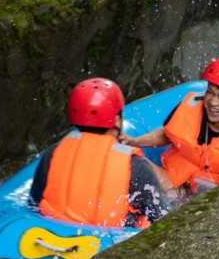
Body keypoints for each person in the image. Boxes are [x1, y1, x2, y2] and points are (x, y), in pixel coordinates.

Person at [121, 56, 219, 194]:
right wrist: (135, 142)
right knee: (125, 154)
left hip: (217, 198)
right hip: (173, 187)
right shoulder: (191, 107)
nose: (213, 102)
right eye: (210, 92)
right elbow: (167, 133)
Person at [30, 77, 169, 228]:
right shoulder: (135, 167)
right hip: (109, 243)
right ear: (116, 120)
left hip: (50, 236)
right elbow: (162, 223)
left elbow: (34, 204)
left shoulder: (53, 153)